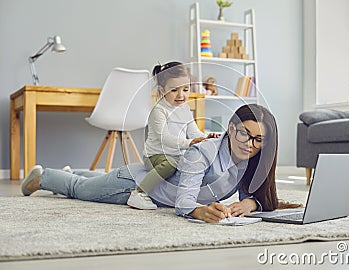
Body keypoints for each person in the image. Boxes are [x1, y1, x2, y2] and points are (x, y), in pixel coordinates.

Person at [21, 104, 298, 223]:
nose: (248, 145)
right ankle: (43, 177)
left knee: (93, 182)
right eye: (242, 133)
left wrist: (249, 203)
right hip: (139, 184)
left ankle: (80, 173)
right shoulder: (201, 153)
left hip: (149, 190)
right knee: (81, 190)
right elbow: (184, 203)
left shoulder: (249, 159)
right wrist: (201, 213)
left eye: (258, 140)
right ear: (230, 127)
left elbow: (254, 195)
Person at [128, 61, 219, 210]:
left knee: (194, 164)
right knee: (170, 164)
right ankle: (138, 193)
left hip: (177, 155)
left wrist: (206, 138)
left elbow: (194, 132)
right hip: (156, 155)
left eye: (185, 89)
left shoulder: (185, 110)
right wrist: (188, 143)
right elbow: (164, 138)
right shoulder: (159, 111)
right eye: (174, 90)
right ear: (162, 90)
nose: (181, 95)